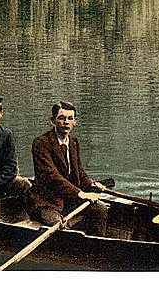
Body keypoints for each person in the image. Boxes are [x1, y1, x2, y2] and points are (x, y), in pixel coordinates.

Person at [27, 100, 109, 236]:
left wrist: (91, 184)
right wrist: (80, 193)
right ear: (53, 120)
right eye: (61, 118)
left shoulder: (74, 142)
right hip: (47, 202)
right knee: (57, 224)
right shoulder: (41, 143)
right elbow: (51, 176)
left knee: (100, 209)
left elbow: (79, 172)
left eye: (70, 118)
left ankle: (94, 248)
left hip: (69, 200)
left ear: (75, 121)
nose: (66, 122)